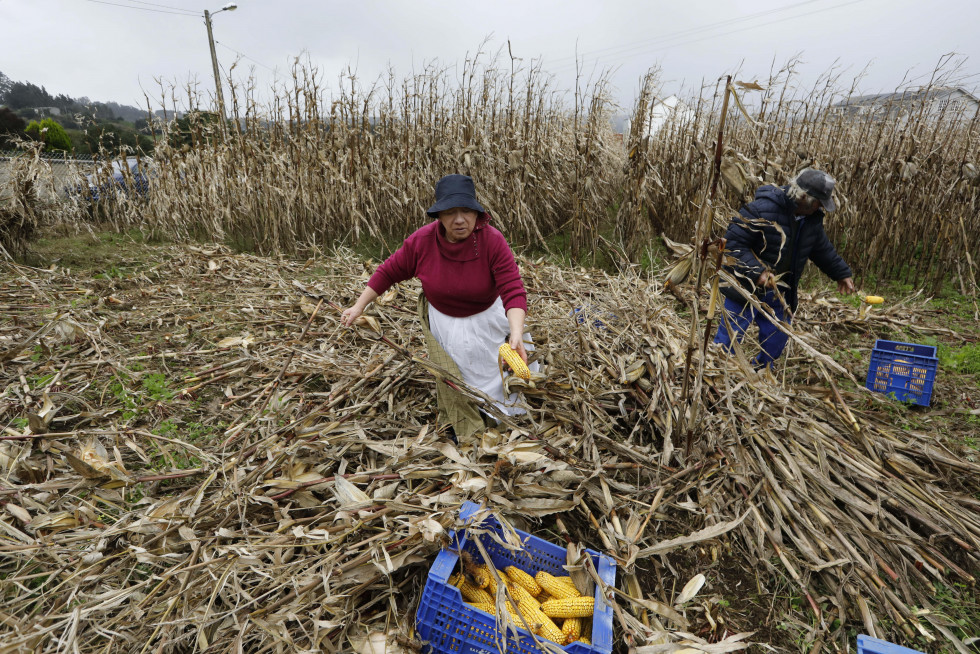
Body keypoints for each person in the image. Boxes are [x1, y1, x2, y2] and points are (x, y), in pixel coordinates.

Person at [341, 174, 532, 439]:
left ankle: (502, 417)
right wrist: (359, 306)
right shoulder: (422, 242)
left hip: (487, 317)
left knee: (495, 370)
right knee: (456, 376)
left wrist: (516, 333)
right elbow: (389, 271)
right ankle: (464, 423)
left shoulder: (491, 240)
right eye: (450, 212)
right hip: (446, 321)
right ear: (439, 216)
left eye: (466, 211)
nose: (459, 219)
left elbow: (512, 288)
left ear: (477, 213)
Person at [714, 167, 856, 368]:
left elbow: (821, 249)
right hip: (745, 286)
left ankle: (762, 371)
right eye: (818, 203)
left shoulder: (811, 220)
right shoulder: (760, 209)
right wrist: (757, 273)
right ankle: (716, 370)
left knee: (776, 338)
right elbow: (733, 244)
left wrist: (841, 273)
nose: (820, 208)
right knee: (730, 335)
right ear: (804, 197)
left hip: (780, 290)